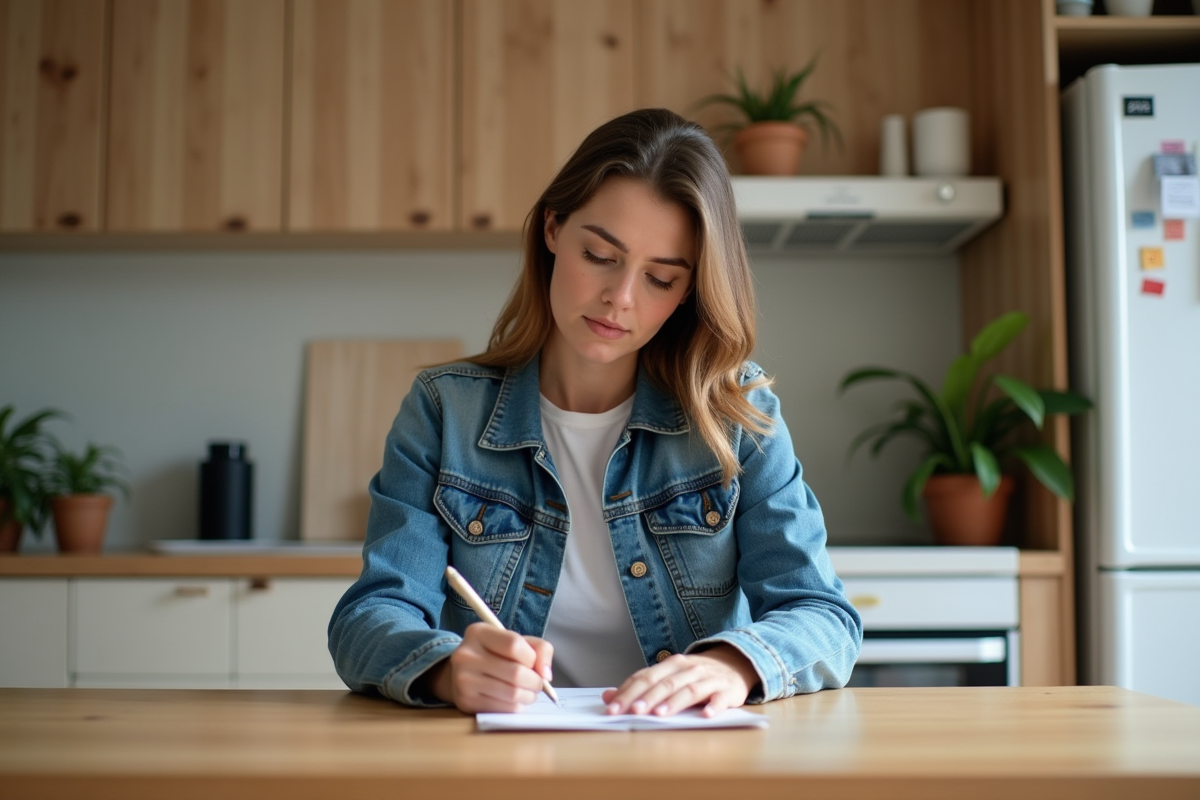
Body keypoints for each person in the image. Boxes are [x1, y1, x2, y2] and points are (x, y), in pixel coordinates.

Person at [328, 108, 862, 717]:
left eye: (660, 278)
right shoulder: (444, 410)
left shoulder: (735, 416)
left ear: (688, 292)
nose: (621, 298)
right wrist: (448, 669)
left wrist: (732, 665)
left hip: (687, 764)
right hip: (503, 765)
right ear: (553, 228)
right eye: (601, 256)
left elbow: (824, 615)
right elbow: (368, 617)